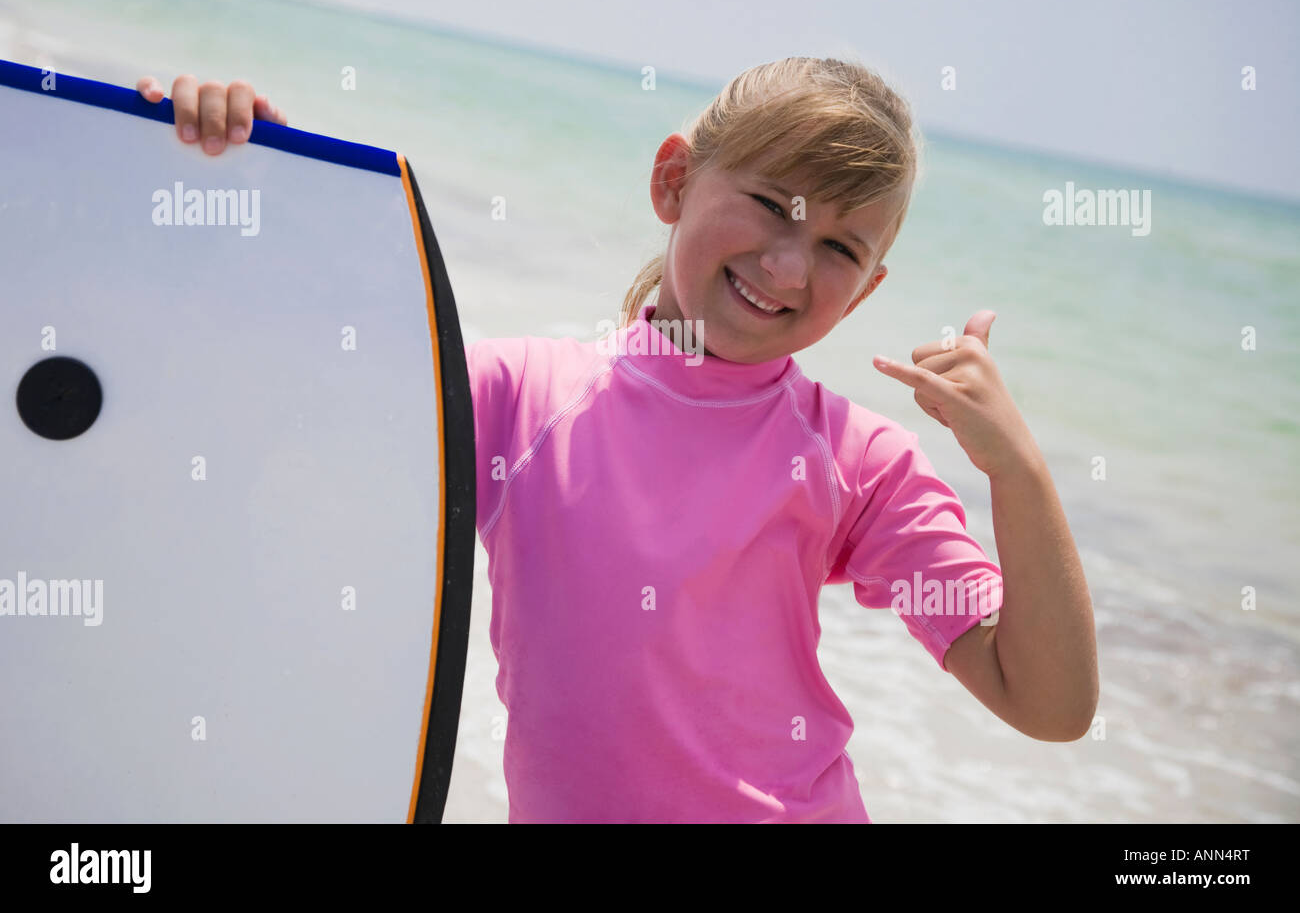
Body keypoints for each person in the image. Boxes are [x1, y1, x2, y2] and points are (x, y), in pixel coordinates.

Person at [137, 59, 1098, 823]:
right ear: (673, 180)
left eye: (842, 249)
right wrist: (226, 175)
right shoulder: (517, 398)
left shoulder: (858, 463)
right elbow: (272, 398)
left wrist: (1016, 467)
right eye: (773, 203)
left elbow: (1046, 703)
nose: (788, 263)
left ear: (870, 288)